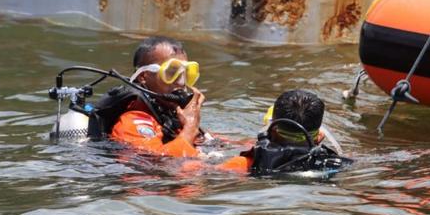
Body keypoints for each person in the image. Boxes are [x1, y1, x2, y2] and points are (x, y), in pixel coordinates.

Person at [90, 36, 205, 157]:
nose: (181, 82)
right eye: (171, 72)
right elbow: (161, 160)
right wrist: (191, 127)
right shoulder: (131, 121)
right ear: (144, 76)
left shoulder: (172, 116)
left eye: (186, 73)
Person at [214, 90, 349, 175]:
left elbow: (196, 175)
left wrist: (191, 131)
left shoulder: (243, 164)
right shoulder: (337, 163)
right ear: (319, 136)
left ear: (272, 129)